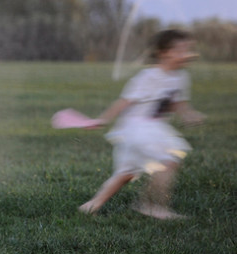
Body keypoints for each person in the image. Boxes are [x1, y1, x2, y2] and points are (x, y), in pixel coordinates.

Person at [79, 29, 205, 219]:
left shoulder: (181, 77)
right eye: (180, 50)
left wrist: (188, 114)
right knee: (169, 161)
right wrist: (103, 119)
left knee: (126, 173)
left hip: (155, 128)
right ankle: (153, 205)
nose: (186, 54)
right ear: (163, 53)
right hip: (137, 128)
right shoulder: (148, 77)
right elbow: (123, 102)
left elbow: (178, 103)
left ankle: (92, 205)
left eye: (188, 49)